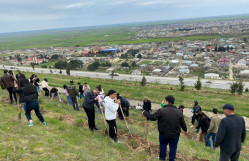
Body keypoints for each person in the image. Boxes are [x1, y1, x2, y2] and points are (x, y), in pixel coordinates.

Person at [143, 95, 187, 161]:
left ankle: (162, 158)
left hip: (164, 133)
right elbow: (182, 123)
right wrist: (185, 130)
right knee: (173, 147)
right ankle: (171, 159)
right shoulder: (179, 112)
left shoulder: (161, 110)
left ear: (166, 101)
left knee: (163, 145)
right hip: (175, 134)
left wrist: (145, 113)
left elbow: (152, 117)